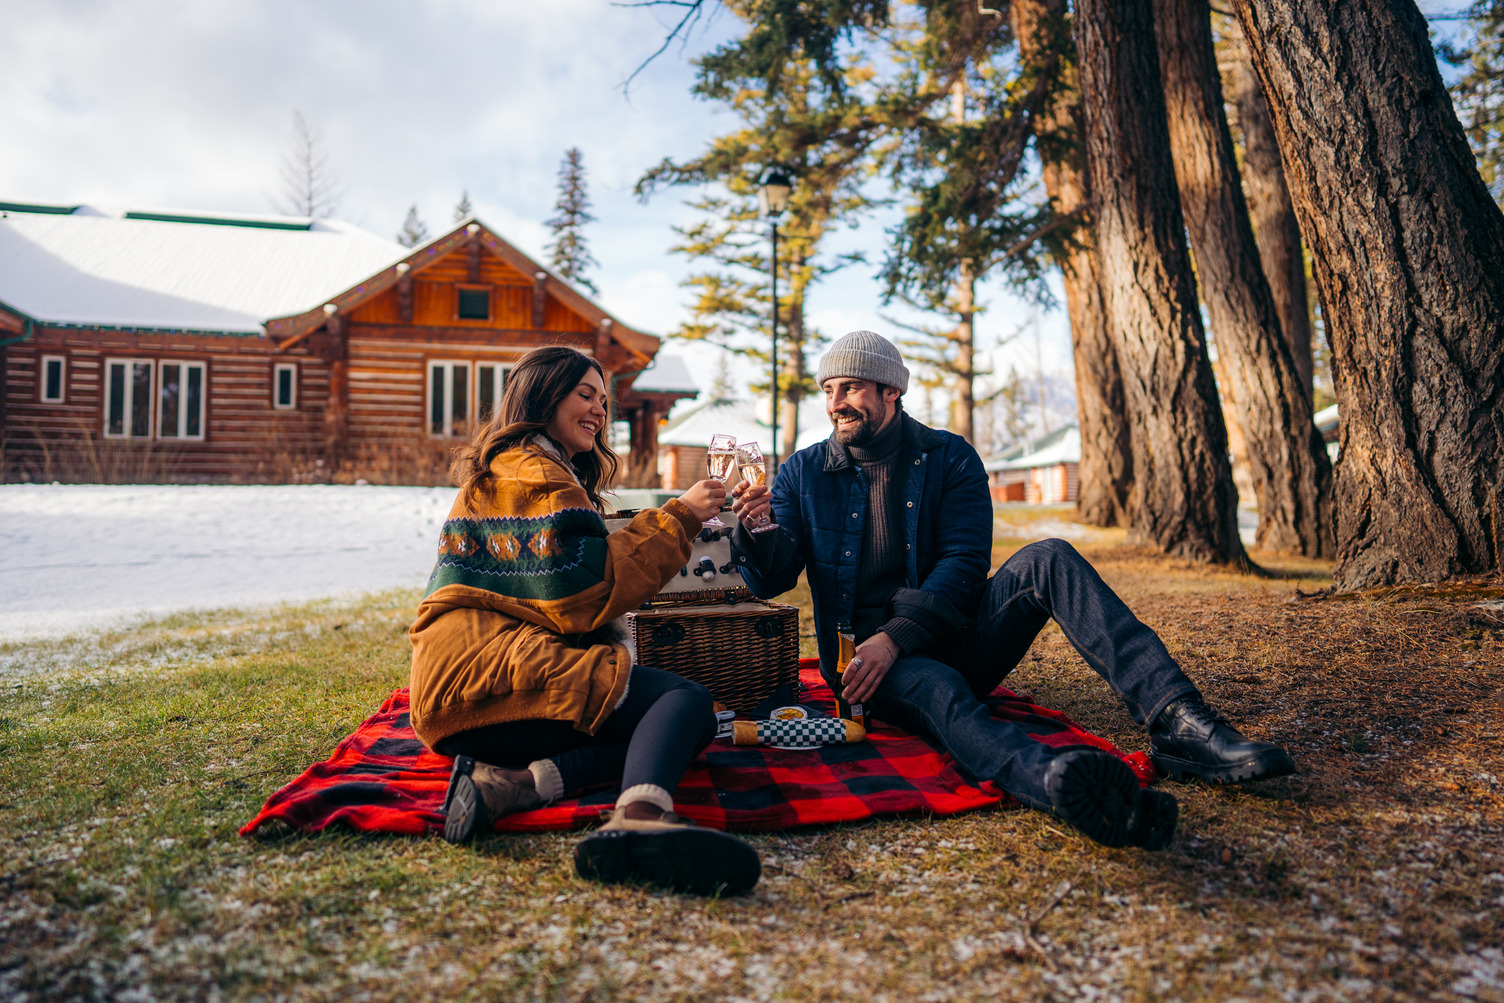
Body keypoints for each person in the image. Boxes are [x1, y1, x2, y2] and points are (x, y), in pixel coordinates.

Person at [728, 330, 1294, 850]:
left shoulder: (949, 458)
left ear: (890, 389)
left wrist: (897, 636)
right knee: (942, 691)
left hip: (949, 632)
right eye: (828, 390)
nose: (835, 403)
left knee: (1049, 557)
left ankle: (1180, 721)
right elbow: (773, 580)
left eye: (849, 387)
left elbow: (965, 563)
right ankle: (1058, 782)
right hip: (865, 667)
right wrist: (759, 532)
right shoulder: (802, 472)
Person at [408, 345, 760, 895]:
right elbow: (584, 591)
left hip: (472, 689)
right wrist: (680, 516)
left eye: (603, 398)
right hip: (488, 683)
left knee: (670, 731)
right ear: (545, 395)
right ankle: (639, 821)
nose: (600, 410)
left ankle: (511, 786)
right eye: (585, 394)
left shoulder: (522, 469)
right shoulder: (532, 473)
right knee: (683, 704)